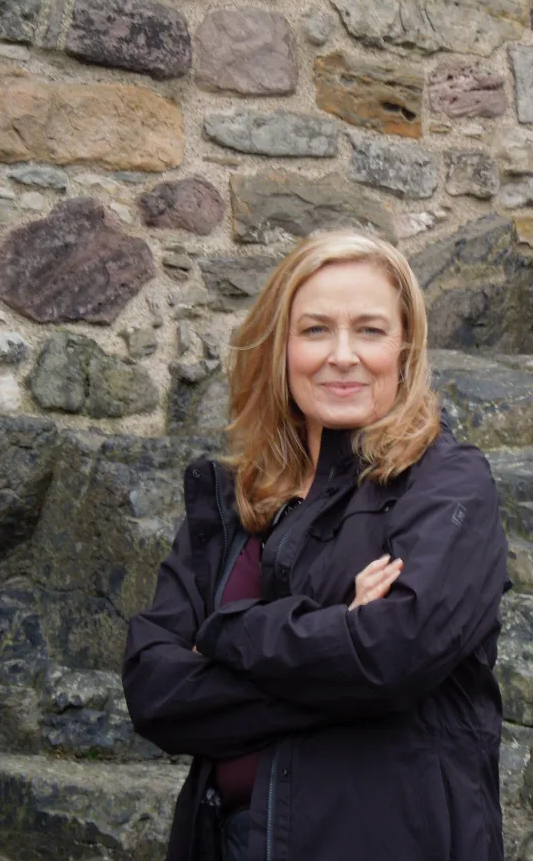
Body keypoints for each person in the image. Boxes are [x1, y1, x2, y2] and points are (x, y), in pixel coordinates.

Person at [122, 229, 511, 861]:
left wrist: (223, 636)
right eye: (314, 330)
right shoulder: (236, 497)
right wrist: (336, 641)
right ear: (279, 346)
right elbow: (154, 690)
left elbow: (394, 655)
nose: (342, 355)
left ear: (405, 348)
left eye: (370, 330)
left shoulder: (446, 483)